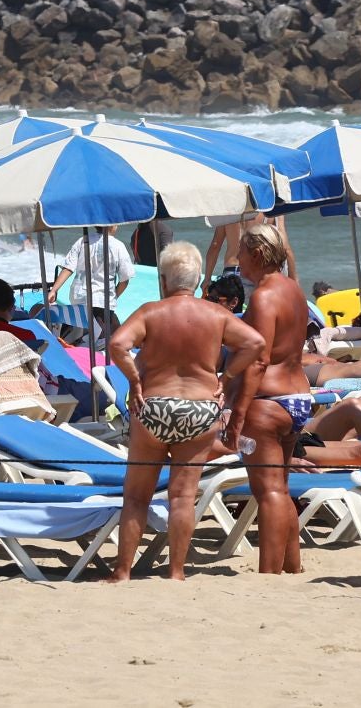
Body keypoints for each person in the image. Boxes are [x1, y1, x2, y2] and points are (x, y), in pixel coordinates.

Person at [104, 242, 266, 582]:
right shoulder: (216, 315)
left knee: (136, 496)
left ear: (163, 280)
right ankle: (176, 572)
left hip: (153, 406)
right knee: (182, 497)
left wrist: (134, 379)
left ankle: (122, 572)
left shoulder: (150, 312)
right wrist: (226, 377)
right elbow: (255, 343)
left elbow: (117, 344)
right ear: (197, 280)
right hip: (200, 408)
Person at [234, 222, 315, 574]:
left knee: (268, 493)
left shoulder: (264, 296)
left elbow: (259, 359)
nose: (236, 260)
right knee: (280, 489)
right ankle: (291, 567)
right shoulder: (294, 290)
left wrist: (238, 411)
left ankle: (269, 573)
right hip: (298, 398)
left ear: (256, 254)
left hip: (269, 402)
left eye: (240, 252)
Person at [48, 226, 135, 341]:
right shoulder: (118, 246)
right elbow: (125, 280)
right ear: (112, 225)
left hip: (79, 298)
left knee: (77, 337)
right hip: (103, 301)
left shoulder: (82, 241)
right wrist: (113, 297)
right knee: (100, 340)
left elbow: (68, 268)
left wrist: (54, 290)